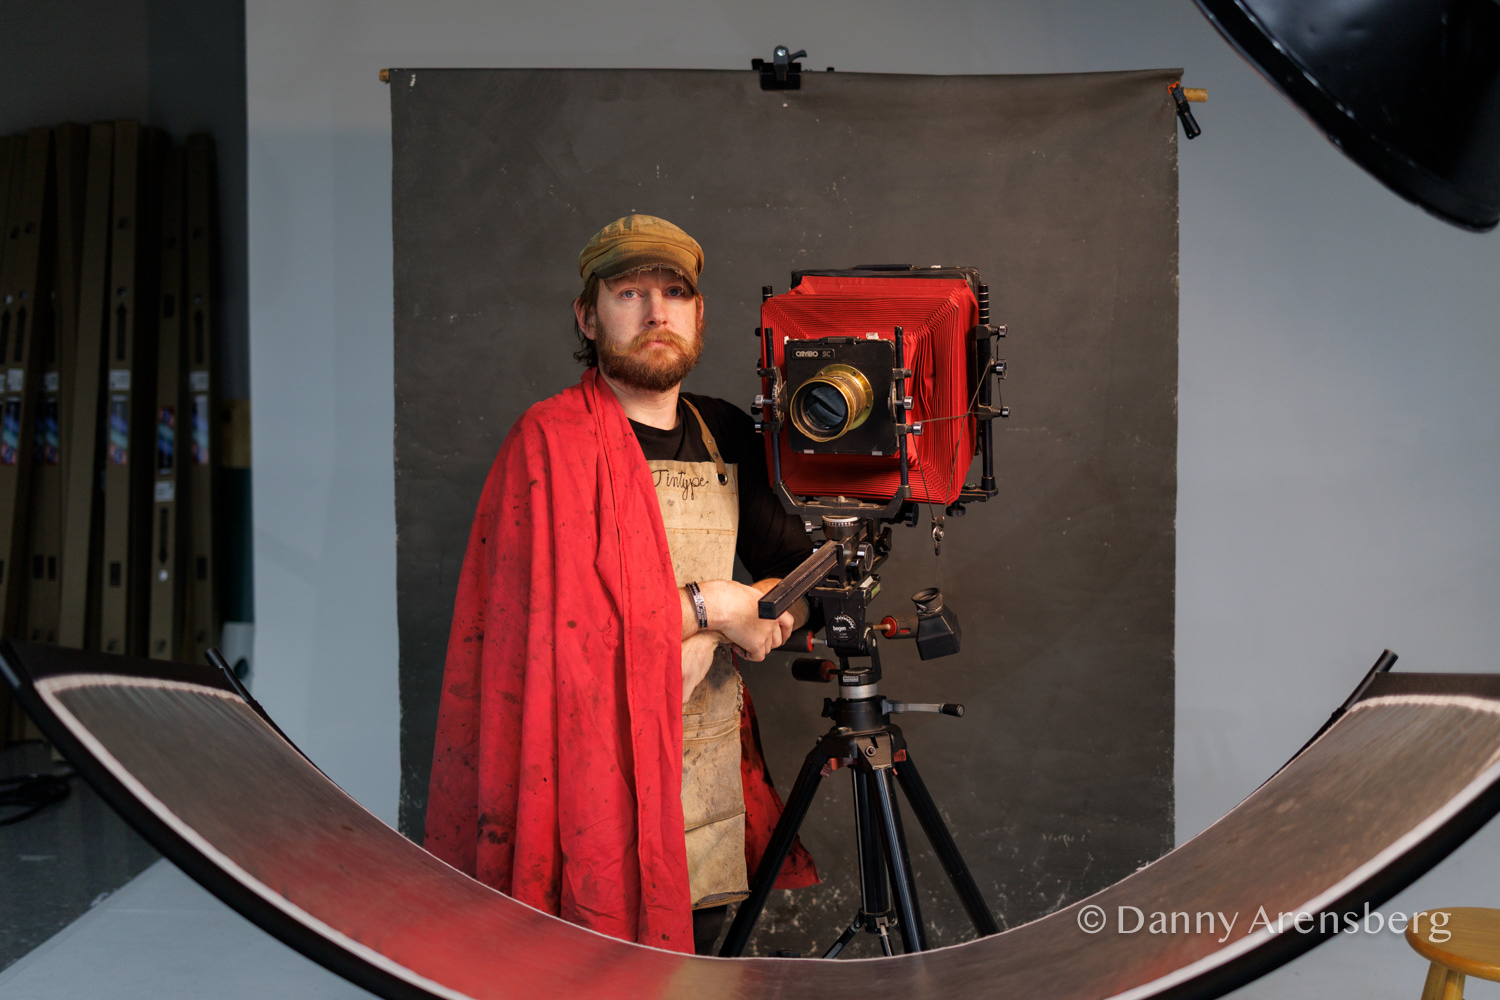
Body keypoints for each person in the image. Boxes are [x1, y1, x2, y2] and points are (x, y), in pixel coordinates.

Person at [424, 214, 817, 955]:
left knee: (701, 962)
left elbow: (807, 577)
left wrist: (770, 615)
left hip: (701, 778)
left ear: (699, 314)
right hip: (584, 785)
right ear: (588, 315)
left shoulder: (725, 434)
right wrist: (712, 607)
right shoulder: (548, 443)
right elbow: (553, 637)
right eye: (629, 292)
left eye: (674, 292)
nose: (656, 312)